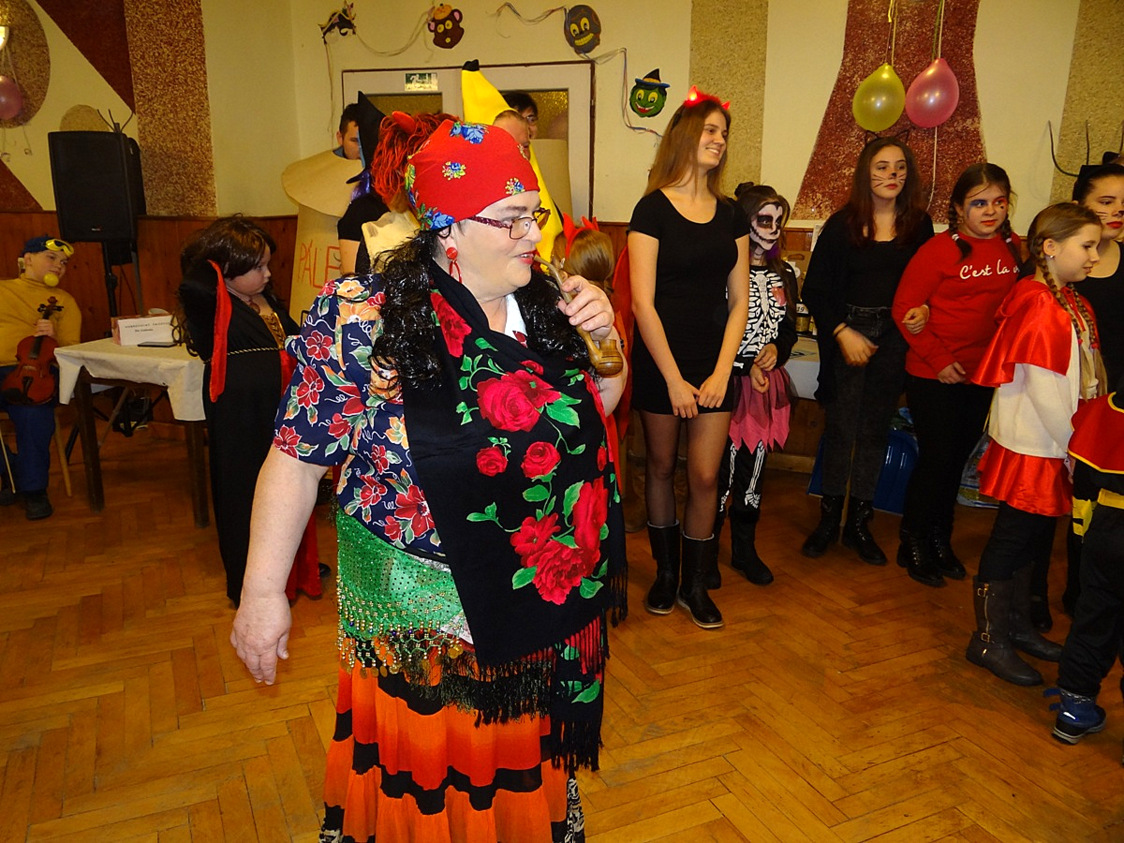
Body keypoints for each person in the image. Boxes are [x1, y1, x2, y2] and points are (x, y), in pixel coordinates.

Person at [231, 121, 627, 840]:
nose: (533, 234)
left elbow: (594, 414)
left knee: (510, 785)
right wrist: (261, 593)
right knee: (430, 790)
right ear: (448, 227)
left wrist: (606, 343)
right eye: (511, 219)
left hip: (531, 605)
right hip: (421, 623)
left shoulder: (547, 303)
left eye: (533, 213)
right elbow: (295, 458)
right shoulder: (364, 317)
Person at [966, 203, 1106, 686]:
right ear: (1050, 247)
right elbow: (1047, 391)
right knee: (1012, 538)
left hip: (1053, 443)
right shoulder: (1042, 304)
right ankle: (988, 640)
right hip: (1038, 444)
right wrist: (1076, 448)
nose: (1094, 256)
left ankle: (1017, 625)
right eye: (1086, 246)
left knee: (1033, 537)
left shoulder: (1065, 298)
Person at [628, 88, 750, 630]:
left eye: (723, 133)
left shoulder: (732, 214)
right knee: (659, 466)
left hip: (713, 361)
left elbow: (740, 300)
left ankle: (695, 585)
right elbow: (642, 303)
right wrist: (674, 380)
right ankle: (665, 574)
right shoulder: (651, 209)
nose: (719, 140)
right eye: (710, 130)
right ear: (684, 135)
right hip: (662, 362)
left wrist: (722, 371)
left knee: (704, 475)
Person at [801, 137, 933, 565]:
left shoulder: (919, 225)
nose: (892, 175)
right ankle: (828, 519)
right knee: (841, 429)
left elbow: (929, 285)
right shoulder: (842, 224)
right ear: (865, 173)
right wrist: (843, 332)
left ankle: (859, 523)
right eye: (882, 167)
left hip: (893, 337)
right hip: (847, 332)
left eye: (899, 167)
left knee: (875, 430)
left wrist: (923, 309)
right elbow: (815, 290)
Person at [890, 163, 1022, 588]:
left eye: (999, 202)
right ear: (959, 208)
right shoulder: (938, 250)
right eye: (979, 203)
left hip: (981, 375)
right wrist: (939, 361)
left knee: (956, 460)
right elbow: (903, 309)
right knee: (937, 459)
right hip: (934, 374)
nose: (990, 211)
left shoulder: (1013, 248)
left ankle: (939, 537)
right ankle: (912, 540)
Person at [178, 217, 320, 607]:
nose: (267, 274)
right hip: (240, 413)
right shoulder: (209, 302)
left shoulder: (265, 298)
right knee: (245, 491)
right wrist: (222, 249)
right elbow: (194, 279)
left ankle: (291, 569)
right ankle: (248, 578)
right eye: (257, 266)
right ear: (226, 269)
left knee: (287, 487)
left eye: (267, 264)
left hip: (279, 407)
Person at [715, 183, 798, 587]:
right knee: (719, 470)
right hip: (728, 385)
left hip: (764, 389)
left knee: (754, 471)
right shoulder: (725, 272)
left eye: (779, 220)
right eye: (764, 219)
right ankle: (705, 548)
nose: (773, 228)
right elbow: (713, 329)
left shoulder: (785, 274)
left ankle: (744, 548)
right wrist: (743, 365)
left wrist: (777, 351)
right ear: (744, 222)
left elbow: (789, 329)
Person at [1045, 374, 1124, 744]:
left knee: (1093, 618)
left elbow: (1081, 478)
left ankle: (1074, 710)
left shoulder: (1102, 410)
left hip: (1106, 530)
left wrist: (1082, 533)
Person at [1063, 162, 1124, 618]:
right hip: (1072, 403)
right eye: (1106, 202)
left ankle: (1097, 595)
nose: (1118, 211)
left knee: (1107, 508)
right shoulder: (1061, 267)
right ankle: (1067, 591)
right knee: (1072, 503)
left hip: (1116, 408)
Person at [0, 236, 80, 520]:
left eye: (64, 262)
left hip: (36, 372)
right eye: (51, 258)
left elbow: (72, 351)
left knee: (33, 416)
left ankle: (33, 490)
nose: (59, 266)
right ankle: (10, 470)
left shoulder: (65, 302)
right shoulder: (3, 290)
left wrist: (54, 338)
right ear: (28, 259)